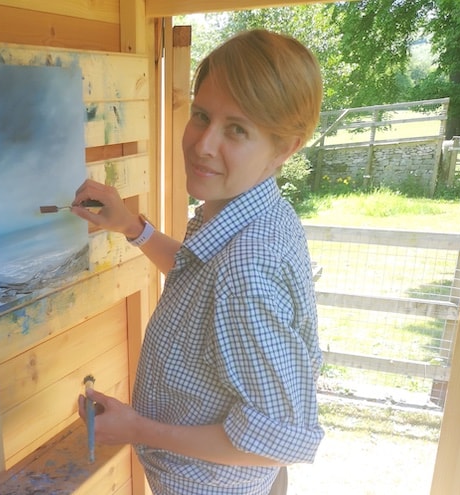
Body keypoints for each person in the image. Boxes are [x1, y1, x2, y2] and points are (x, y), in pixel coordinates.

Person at [72, 29, 324, 495]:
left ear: (285, 147)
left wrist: (135, 428)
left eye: (237, 129)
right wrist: (133, 227)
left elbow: (279, 440)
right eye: (202, 115)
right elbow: (199, 279)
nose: (203, 144)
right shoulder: (245, 210)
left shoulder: (246, 270)